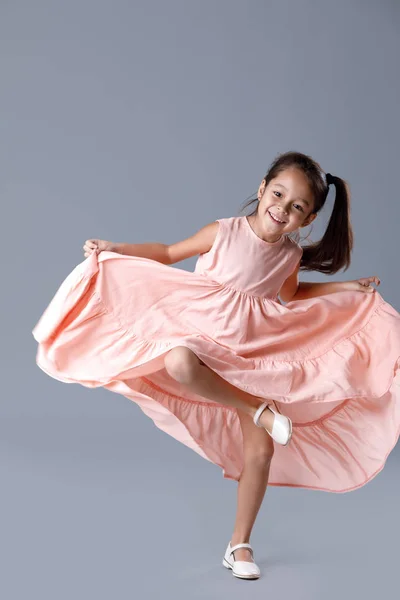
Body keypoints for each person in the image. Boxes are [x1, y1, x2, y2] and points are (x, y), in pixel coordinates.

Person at [32, 150, 400, 581]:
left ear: (309, 219)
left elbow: (292, 297)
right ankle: (255, 409)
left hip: (253, 350)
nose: (281, 209)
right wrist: (117, 248)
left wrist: (346, 288)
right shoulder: (224, 231)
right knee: (179, 361)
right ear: (262, 190)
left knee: (261, 451)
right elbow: (168, 252)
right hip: (200, 331)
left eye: (297, 207)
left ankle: (239, 545)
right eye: (278, 194)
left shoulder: (287, 256)